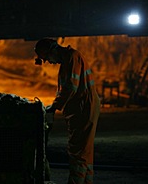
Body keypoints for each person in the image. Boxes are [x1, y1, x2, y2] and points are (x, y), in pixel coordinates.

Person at [34, 38, 100, 184]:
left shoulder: (72, 58)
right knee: (84, 151)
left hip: (82, 108)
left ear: (53, 50)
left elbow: (71, 87)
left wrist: (55, 106)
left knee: (77, 150)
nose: (49, 62)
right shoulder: (68, 60)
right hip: (81, 107)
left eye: (47, 58)